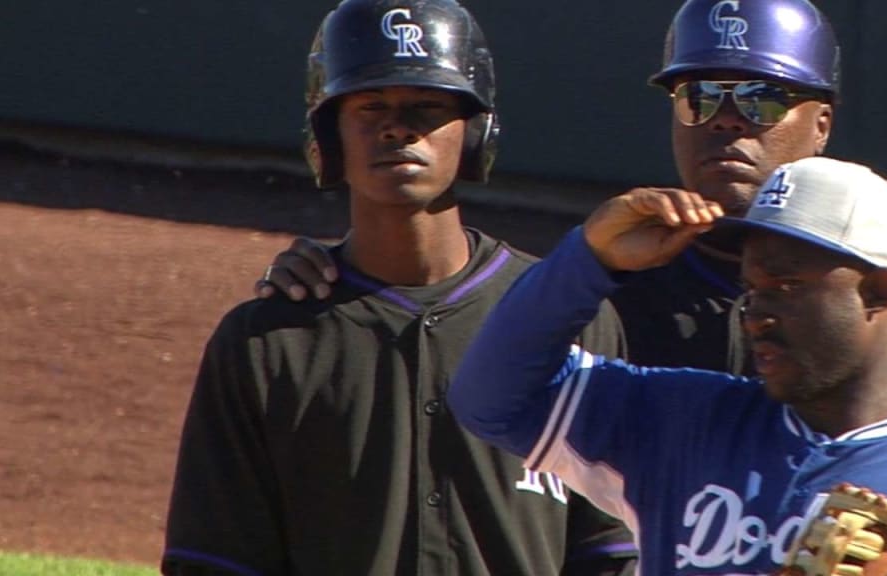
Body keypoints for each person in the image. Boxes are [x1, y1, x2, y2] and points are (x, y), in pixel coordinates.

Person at [160, 0, 635, 574]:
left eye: (428, 105)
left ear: (477, 131)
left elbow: (609, 549)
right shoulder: (266, 342)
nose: (398, 126)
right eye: (370, 105)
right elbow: (216, 560)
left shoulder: (568, 316)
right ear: (328, 135)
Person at [253, 0, 841, 377]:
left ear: (822, 125)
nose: (727, 119)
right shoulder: (605, 286)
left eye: (761, 98)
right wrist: (336, 282)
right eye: (700, 97)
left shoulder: (869, 288)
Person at [447, 156, 887, 575]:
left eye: (785, 284)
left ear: (877, 290)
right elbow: (492, 400)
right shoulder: (686, 420)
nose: (757, 313)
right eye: (752, 288)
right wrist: (588, 259)